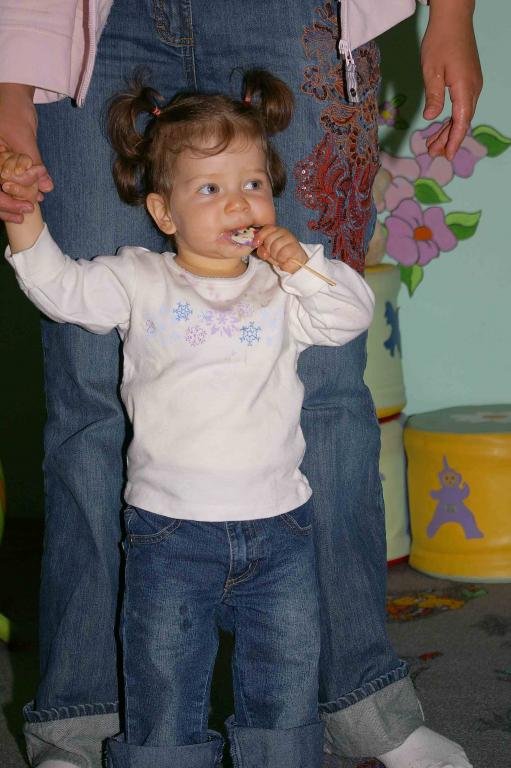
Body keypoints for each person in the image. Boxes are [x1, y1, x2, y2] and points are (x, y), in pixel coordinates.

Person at [0, 2, 482, 768]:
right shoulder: (136, 279)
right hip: (90, 23)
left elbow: (342, 318)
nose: (237, 202)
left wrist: (451, 13)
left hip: (289, 14)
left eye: (252, 184)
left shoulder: (281, 280)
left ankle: (361, 704)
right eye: (209, 192)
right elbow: (61, 288)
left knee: (327, 392)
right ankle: (82, 722)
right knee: (88, 395)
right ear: (161, 211)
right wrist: (19, 188)